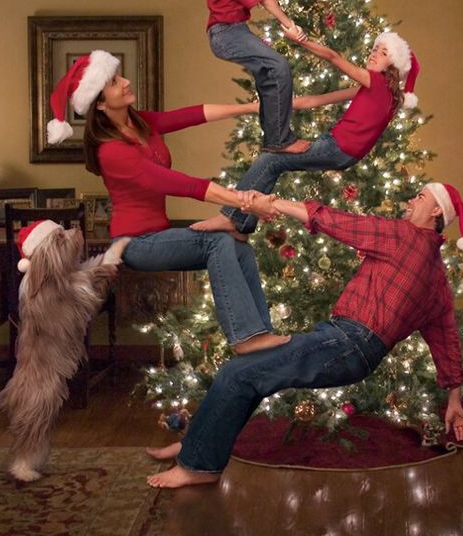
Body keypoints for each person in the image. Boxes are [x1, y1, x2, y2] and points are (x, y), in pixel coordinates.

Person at [146, 182, 463, 488]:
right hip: (355, 350)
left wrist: (273, 203)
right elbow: (446, 340)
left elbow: (337, 222)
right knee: (254, 375)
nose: (411, 200)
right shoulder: (437, 279)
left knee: (236, 373)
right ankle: (194, 446)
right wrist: (455, 400)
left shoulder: (405, 236)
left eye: (421, 197)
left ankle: (197, 467)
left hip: (348, 341)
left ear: (435, 212)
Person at [46, 49, 286, 355]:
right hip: (136, 244)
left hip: (160, 233)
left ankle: (261, 333)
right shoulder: (111, 151)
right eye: (115, 81)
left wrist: (252, 107)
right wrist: (243, 201)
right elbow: (178, 184)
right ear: (101, 103)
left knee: (238, 245)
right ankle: (245, 338)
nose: (126, 81)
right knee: (220, 242)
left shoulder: (139, 123)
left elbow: (190, 115)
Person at [192, 30, 420, 235]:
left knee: (271, 159)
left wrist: (301, 40)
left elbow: (333, 57)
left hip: (338, 148)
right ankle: (243, 222)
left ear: (395, 66)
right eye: (374, 49)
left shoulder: (377, 82)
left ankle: (231, 217)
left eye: (383, 52)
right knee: (275, 164)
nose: (374, 54)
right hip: (339, 149)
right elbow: (313, 101)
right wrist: (276, 103)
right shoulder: (375, 89)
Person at [191, 0, 315, 154]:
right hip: (227, 34)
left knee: (269, 77)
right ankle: (280, 140)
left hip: (232, 31)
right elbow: (266, 0)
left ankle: (274, 141)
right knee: (278, 66)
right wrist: (291, 26)